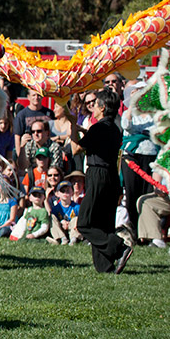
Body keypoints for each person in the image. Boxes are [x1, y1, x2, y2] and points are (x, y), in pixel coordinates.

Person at [69, 88, 133, 274]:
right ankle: (105, 266)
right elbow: (94, 138)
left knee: (85, 223)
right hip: (111, 175)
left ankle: (119, 247)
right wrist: (83, 130)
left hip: (97, 174)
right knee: (103, 223)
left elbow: (75, 149)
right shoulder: (113, 127)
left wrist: (73, 125)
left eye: (95, 104)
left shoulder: (98, 128)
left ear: (103, 107)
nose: (93, 108)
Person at [120, 105, 159, 227]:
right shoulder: (128, 113)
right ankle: (133, 227)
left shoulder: (155, 114)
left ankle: (146, 229)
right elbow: (127, 126)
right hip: (132, 156)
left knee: (147, 193)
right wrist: (132, 108)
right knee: (132, 192)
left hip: (151, 156)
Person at [13, 89, 54, 162]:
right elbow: (17, 138)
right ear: (28, 97)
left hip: (48, 151)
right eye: (33, 95)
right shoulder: (21, 115)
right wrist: (20, 157)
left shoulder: (49, 113)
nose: (36, 97)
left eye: (38, 95)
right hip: (29, 153)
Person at [47, 181, 81, 245]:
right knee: (52, 217)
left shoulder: (77, 207)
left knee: (76, 218)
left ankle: (73, 239)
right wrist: (62, 221)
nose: (65, 193)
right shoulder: (56, 208)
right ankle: (62, 239)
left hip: (72, 229)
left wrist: (69, 223)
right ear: (57, 194)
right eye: (62, 191)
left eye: (68, 191)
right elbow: (55, 220)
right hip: (61, 229)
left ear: (72, 193)